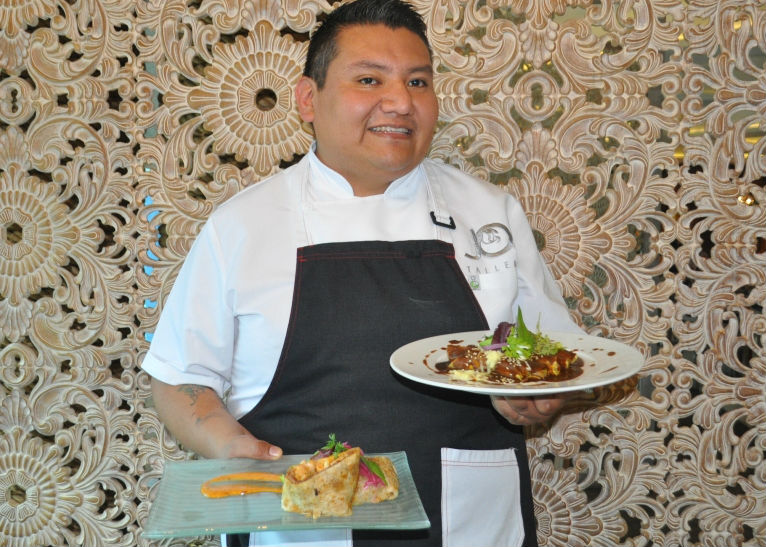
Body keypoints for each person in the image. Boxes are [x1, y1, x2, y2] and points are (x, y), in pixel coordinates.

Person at [142, 1, 582, 545]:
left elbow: (554, 352)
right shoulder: (243, 226)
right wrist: (228, 445)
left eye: (418, 82)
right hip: (302, 526)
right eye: (369, 79)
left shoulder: (489, 213)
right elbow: (180, 377)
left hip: (471, 524)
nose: (400, 102)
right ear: (308, 99)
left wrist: (534, 393)